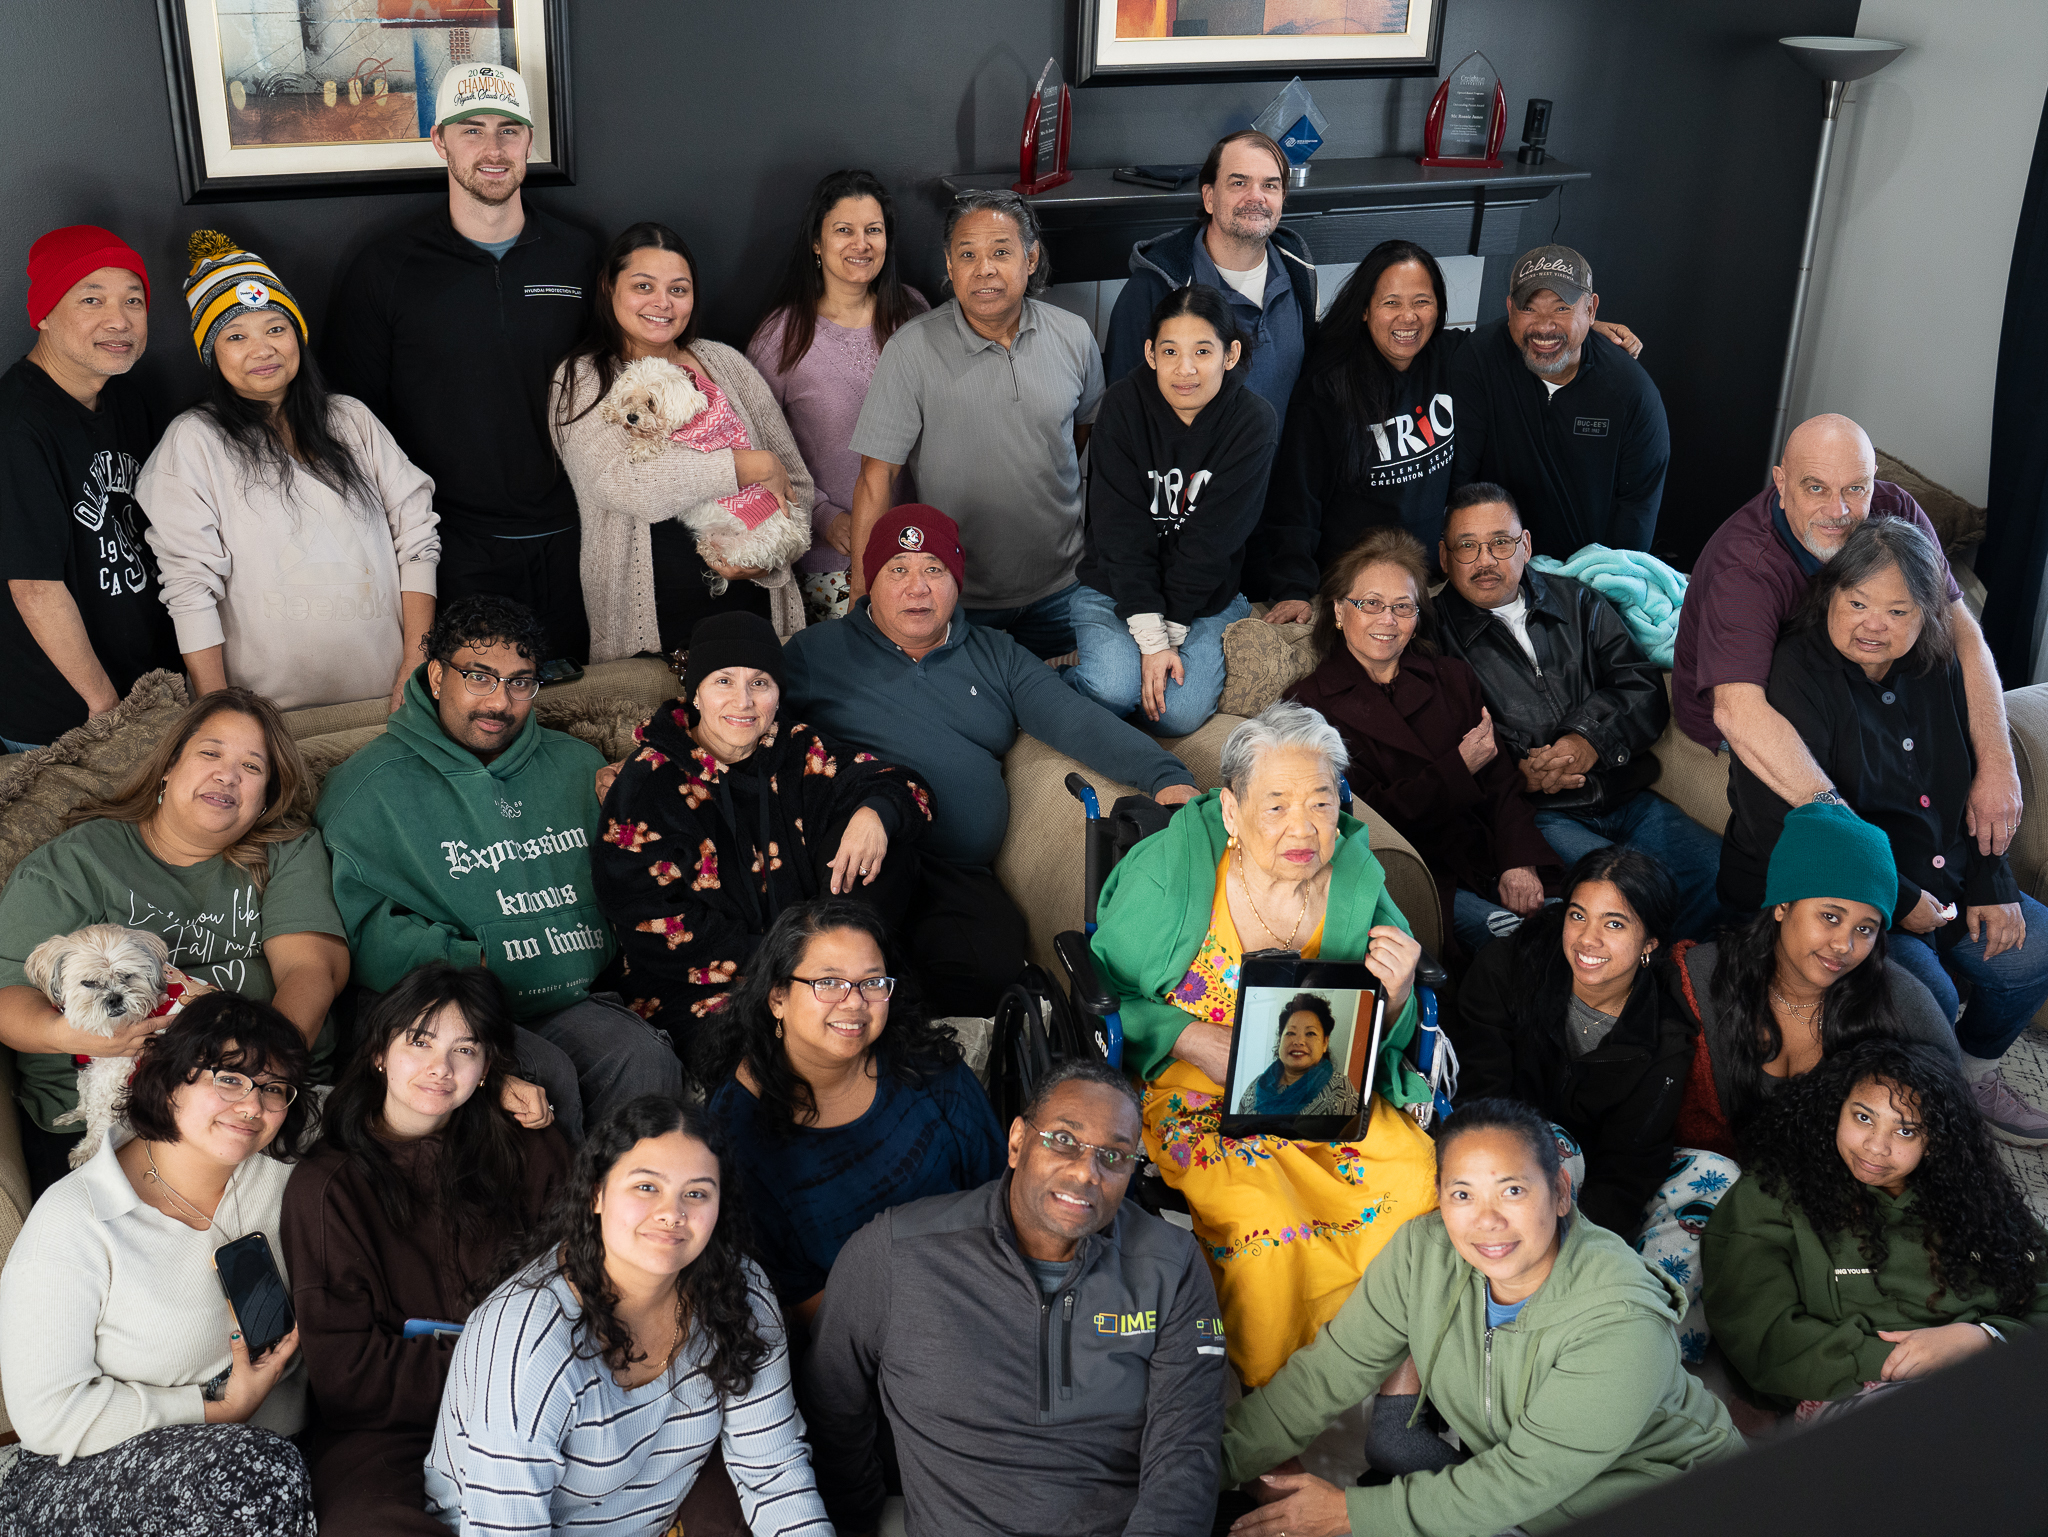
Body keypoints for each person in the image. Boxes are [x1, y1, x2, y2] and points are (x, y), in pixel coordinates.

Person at [1087, 700, 1439, 1383]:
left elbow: (1385, 1031)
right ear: (1231, 811)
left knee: (1422, 1182)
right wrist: (1188, 1037)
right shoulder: (1171, 874)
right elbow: (1103, 990)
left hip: (1326, 1089)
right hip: (1198, 1092)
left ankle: (1399, 1379)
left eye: (1320, 804)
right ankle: (1282, 1401)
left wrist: (1394, 997)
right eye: (1276, 806)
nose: (1302, 827)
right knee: (1264, 1223)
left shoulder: (1356, 881)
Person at [1220, 1099, 1741, 1537]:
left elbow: (1521, 1480)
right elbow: (1323, 1377)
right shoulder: (1422, 1255)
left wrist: (1348, 1515)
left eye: (1513, 1190)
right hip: (1523, 1502)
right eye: (1462, 1194)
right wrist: (1205, 1465)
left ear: (1560, 1192)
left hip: (1669, 1507)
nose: (1487, 1221)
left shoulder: (1622, 1321)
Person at [783, 504, 1197, 1014]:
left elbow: (1074, 719)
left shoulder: (995, 654)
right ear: (871, 579)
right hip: (866, 856)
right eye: (898, 569)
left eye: (934, 569)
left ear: (957, 581)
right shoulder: (815, 654)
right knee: (854, 954)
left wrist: (1164, 775)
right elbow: (751, 720)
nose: (917, 588)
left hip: (958, 871)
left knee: (995, 969)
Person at [1720, 517, 2048, 1143]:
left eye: (1898, 612)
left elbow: (1974, 783)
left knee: (2037, 949)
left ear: (1928, 614)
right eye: (1858, 604)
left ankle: (1971, 1075)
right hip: (1846, 892)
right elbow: (1800, 829)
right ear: (1830, 595)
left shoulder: (1936, 665)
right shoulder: (1795, 672)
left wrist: (1992, 878)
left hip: (1944, 875)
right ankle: (1929, 1110)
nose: (1875, 625)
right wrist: (1897, 897)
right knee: (1928, 996)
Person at [803, 1059, 1225, 1537]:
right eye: (1064, 1139)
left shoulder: (1171, 1263)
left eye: (1114, 1155)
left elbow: (1184, 1455)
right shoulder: (897, 1252)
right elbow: (832, 1412)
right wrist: (855, 1523)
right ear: (1018, 1142)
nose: (1087, 1172)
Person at [315, 596, 682, 1143]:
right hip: (449, 1010)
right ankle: (560, 1200)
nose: (499, 702)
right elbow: (361, 930)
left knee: (645, 1059)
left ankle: (623, 1196)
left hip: (568, 995)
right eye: (479, 677)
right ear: (436, 677)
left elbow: (632, 883)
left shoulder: (577, 764)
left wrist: (644, 800)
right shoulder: (365, 787)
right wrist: (481, 963)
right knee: (544, 1077)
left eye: (520, 683)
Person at [425, 1096, 831, 1535]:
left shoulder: (740, 1292)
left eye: (696, 1193)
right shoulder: (529, 1344)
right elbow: (504, 1528)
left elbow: (775, 1472)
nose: (672, 1214)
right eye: (646, 1187)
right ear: (596, 1193)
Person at [0, 688, 349, 1194]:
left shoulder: (287, 851)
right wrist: (78, 1036)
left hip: (263, 1097)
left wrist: (256, 1072)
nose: (228, 776)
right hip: (110, 1112)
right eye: (210, 753)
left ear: (267, 796)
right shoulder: (75, 864)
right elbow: (8, 996)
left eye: (252, 767)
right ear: (168, 766)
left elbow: (310, 970)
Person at [0, 993, 319, 1535]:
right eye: (229, 1078)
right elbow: (49, 1416)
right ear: (169, 1080)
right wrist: (218, 1410)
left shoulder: (283, 1182)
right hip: (85, 1469)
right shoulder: (77, 1217)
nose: (252, 1106)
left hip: (266, 1464)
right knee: (251, 1475)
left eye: (273, 1088)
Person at [279, 962, 568, 1536]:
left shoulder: (530, 1150)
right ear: (379, 1052)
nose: (441, 1067)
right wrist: (499, 1371)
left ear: (487, 1068)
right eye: (420, 1041)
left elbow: (582, 1288)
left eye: (466, 1049)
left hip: (538, 1412)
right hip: (393, 1431)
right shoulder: (328, 1186)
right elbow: (346, 1373)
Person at [325, 64, 598, 662]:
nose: (493, 149)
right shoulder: (387, 268)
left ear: (529, 141)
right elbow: (355, 423)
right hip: (453, 548)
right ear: (439, 141)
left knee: (588, 703)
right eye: (471, 130)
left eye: (508, 130)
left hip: (578, 536)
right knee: (477, 707)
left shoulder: (581, 255)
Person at [1671, 412, 2022, 861]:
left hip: (1853, 686)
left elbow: (1961, 631)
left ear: (1874, 479)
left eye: (1855, 489)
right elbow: (1737, 712)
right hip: (1758, 708)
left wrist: (1998, 764)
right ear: (1781, 483)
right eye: (1816, 488)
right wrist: (1847, 830)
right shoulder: (1745, 568)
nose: (1838, 511)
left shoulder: (1895, 510)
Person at [139, 231, 438, 715]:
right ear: (212, 354)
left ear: (297, 335)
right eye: (236, 336)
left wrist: (415, 662)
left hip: (387, 698)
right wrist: (219, 711)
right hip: (265, 715)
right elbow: (189, 588)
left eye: (276, 328)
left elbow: (418, 538)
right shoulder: (193, 441)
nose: (263, 349)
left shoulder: (351, 420)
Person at [593, 611, 931, 1035]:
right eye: (723, 681)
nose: (743, 702)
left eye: (759, 683)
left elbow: (905, 786)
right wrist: (792, 964)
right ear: (695, 694)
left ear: (777, 693)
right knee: (780, 1037)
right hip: (694, 981)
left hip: (812, 969)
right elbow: (649, 921)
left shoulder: (794, 748)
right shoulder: (648, 782)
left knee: (893, 854)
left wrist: (874, 814)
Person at [1434, 483, 1724, 941]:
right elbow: (1442, 734)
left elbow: (1641, 685)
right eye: (1467, 546)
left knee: (1716, 871)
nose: (1486, 560)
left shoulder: (1578, 602)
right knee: (1624, 892)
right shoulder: (1431, 635)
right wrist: (1517, 773)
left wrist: (1588, 740)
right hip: (1538, 814)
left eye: (1500, 542)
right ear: (1445, 557)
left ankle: (1672, 967)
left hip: (1624, 793)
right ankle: (1644, 973)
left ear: (1526, 545)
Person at [1703, 1038, 2048, 1420]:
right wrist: (1906, 1361)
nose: (1876, 1147)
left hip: (1993, 1369)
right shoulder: (1770, 1193)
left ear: (1935, 1140)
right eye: (1863, 1118)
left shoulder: (1975, 1195)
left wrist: (1983, 1338)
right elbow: (1763, 1339)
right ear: (1836, 1108)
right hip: (1862, 1389)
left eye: (1906, 1131)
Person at [700, 899, 1003, 1327]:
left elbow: (997, 1192)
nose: (855, 1002)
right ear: (777, 997)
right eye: (829, 982)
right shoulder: (737, 1133)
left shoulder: (925, 1063)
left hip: (985, 1282)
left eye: (872, 982)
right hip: (871, 1333)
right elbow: (794, 1300)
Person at [845, 189, 1104, 657]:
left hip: (1063, 587)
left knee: (1070, 692)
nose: (984, 269)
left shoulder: (1074, 335)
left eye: (1001, 252)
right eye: (967, 255)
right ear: (949, 265)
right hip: (954, 596)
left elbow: (1079, 435)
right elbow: (875, 478)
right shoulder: (911, 349)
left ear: (1031, 258)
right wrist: (863, 600)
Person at [1284, 527, 1560, 956]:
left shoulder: (1452, 677)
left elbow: (1502, 784)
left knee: (1580, 919)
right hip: (1417, 874)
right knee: (1521, 947)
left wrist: (1517, 862)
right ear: (1338, 611)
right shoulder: (1307, 706)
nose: (1387, 620)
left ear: (1417, 618)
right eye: (1370, 604)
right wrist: (1458, 768)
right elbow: (1361, 817)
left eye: (1402, 606)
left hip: (1487, 852)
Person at [553, 221, 811, 659]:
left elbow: (796, 483)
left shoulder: (727, 364)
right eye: (643, 286)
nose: (662, 303)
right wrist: (748, 465)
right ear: (608, 287)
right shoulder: (582, 379)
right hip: (651, 630)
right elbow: (628, 485)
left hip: (753, 613)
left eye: (678, 289)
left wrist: (769, 560)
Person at [1668, 801, 1961, 1163]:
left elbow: (1950, 1131)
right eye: (1830, 917)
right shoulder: (1701, 975)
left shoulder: (1905, 1006)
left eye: (1865, 929)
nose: (1844, 945)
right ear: (1782, 905)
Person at [1069, 283, 1275, 736]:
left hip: (1204, 595)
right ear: (1150, 354)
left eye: (1202, 351)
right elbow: (1119, 530)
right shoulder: (1123, 406)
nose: (1185, 369)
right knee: (1112, 689)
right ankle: (1063, 683)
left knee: (1176, 713)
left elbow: (1212, 542)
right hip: (1115, 584)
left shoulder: (1252, 421)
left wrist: (1169, 639)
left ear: (1230, 354)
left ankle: (1123, 682)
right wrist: (1150, 640)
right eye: (1170, 351)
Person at [1, 224, 176, 751]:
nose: (119, 320)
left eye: (133, 300)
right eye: (91, 299)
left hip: (144, 693)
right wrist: (106, 711)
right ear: (44, 314)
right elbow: (35, 588)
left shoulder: (126, 399)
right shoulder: (16, 425)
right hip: (67, 717)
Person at [748, 168, 929, 624]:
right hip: (833, 559)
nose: (861, 244)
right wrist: (824, 516)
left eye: (873, 230)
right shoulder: (781, 338)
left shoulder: (914, 314)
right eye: (844, 230)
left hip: (919, 550)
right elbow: (756, 451)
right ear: (817, 242)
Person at [1449, 244, 1669, 558]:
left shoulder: (1631, 391)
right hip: (1495, 560)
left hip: (1587, 571)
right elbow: (1460, 479)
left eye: (1562, 308)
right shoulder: (1479, 360)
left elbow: (1637, 511)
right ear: (1510, 309)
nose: (1544, 326)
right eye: (1529, 308)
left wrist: (1605, 580)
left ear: (1591, 310)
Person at [1103, 130, 1316, 430]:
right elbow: (1120, 419)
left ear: (1282, 199)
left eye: (1270, 185)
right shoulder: (1153, 288)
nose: (1256, 196)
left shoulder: (1298, 270)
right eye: (1239, 183)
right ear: (1209, 197)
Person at [1234, 992, 1362, 1116]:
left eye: (1310, 1033)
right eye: (1290, 1033)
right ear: (1280, 1040)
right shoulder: (1257, 1085)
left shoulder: (1339, 1089)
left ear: (1325, 1042)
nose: (1298, 1041)